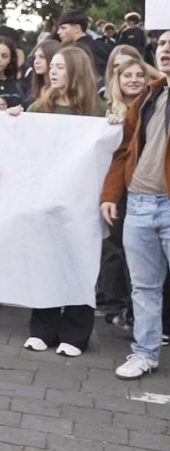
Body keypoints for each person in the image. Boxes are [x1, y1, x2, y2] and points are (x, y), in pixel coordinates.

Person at [25, 46, 106, 357]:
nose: (53, 71)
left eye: (60, 66)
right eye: (52, 66)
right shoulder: (39, 108)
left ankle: (76, 332)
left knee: (80, 264)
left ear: (76, 71)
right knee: (46, 263)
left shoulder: (97, 111)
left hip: (83, 204)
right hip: (46, 201)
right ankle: (41, 329)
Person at [102, 30, 170, 379]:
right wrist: (111, 195)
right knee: (143, 287)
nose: (167, 49)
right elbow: (124, 150)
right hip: (140, 205)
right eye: (161, 44)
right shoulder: (148, 96)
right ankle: (145, 353)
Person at [56, 9, 110, 80]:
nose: (58, 32)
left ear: (77, 28)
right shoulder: (102, 45)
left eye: (63, 28)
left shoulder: (78, 51)